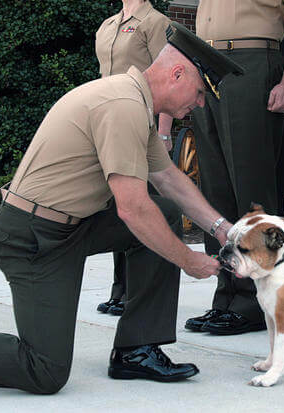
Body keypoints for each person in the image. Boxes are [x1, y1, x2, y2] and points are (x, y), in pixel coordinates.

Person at [0, 22, 244, 395]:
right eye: (199, 93)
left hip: (71, 228)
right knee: (45, 370)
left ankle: (137, 349)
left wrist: (223, 229)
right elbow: (132, 209)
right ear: (177, 73)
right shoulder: (123, 106)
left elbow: (167, 178)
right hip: (32, 239)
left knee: (162, 212)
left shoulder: (133, 101)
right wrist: (188, 261)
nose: (198, 104)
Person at [185, 0, 284, 335]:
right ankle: (226, 295)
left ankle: (254, 303)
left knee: (250, 184)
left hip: (252, 61)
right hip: (207, 62)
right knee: (216, 187)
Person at [94, 0, 174, 316]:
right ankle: (120, 289)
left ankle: (141, 292)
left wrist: (165, 132)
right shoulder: (108, 25)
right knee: (119, 207)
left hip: (143, 125)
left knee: (145, 208)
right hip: (110, 126)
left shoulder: (155, 23)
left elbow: (169, 78)